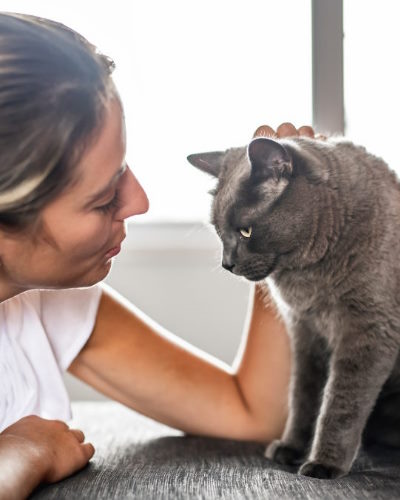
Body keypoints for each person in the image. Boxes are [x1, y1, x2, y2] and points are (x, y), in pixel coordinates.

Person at [0, 12, 317, 499]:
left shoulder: (42, 302)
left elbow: (252, 411)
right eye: (104, 197)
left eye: (124, 170)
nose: (140, 201)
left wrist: (272, 235)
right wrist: (10, 463)